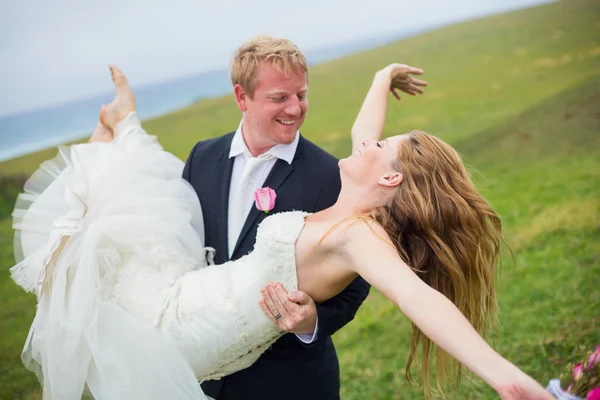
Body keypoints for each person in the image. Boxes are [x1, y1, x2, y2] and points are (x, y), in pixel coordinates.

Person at [10, 61, 554, 400]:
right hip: (189, 292)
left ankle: (118, 129)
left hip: (179, 333)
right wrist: (381, 78)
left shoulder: (359, 236)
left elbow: (418, 299)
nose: (362, 142)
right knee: (123, 222)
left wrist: (505, 377)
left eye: (378, 147)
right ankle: (122, 126)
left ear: (388, 176)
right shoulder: (356, 204)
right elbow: (368, 129)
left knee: (89, 246)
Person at [182, 36, 370, 400]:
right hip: (205, 379)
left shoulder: (330, 176)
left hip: (290, 382)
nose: (296, 108)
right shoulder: (201, 158)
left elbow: (357, 282)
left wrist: (313, 320)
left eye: (301, 94)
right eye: (279, 98)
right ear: (242, 97)